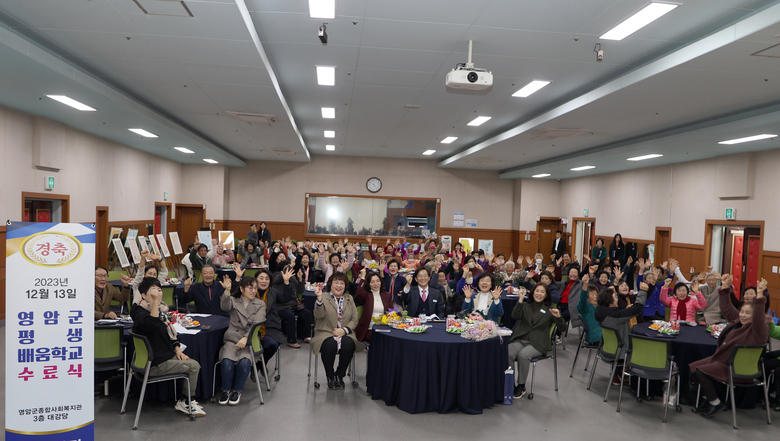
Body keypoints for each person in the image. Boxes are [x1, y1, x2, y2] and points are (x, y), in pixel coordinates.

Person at [690, 274, 769, 417]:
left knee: (701, 371)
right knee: (693, 368)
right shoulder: (738, 320)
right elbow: (726, 307)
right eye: (742, 312)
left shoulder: (759, 330)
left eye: (748, 313)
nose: (743, 315)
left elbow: (758, 316)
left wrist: (759, 295)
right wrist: (725, 286)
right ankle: (707, 398)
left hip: (737, 368)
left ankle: (715, 403)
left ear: (755, 315)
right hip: (722, 361)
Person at [131, 277, 205, 417]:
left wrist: (177, 349)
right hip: (153, 364)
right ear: (143, 295)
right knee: (194, 366)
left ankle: (185, 399)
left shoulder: (161, 312)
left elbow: (169, 335)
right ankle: (187, 401)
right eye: (153, 290)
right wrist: (154, 303)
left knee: (189, 359)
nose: (157, 293)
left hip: (162, 356)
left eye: (159, 290)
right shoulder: (139, 313)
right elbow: (152, 324)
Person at [507, 283, 565, 399]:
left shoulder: (550, 309)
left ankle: (521, 385)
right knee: (508, 352)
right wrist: (520, 300)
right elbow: (514, 316)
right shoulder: (525, 306)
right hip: (521, 339)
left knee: (523, 355)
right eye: (537, 291)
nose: (539, 294)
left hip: (537, 343)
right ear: (533, 292)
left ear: (546, 295)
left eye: (542, 292)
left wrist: (559, 317)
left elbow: (563, 328)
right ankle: (509, 383)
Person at [217, 276, 265, 406]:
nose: (253, 291)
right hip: (232, 339)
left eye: (255, 288)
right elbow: (224, 307)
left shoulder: (260, 304)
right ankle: (226, 390)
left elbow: (257, 324)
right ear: (242, 289)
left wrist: (246, 338)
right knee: (226, 362)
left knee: (244, 363)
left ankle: (237, 391)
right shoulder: (234, 300)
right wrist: (227, 291)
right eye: (250, 287)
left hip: (249, 341)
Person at [311, 273, 364, 390]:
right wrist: (319, 300)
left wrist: (344, 330)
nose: (339, 285)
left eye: (342, 283)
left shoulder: (349, 299)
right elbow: (318, 315)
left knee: (349, 344)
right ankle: (330, 376)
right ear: (330, 284)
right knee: (330, 345)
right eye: (336, 282)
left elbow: (355, 319)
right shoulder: (323, 297)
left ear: (345, 286)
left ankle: (340, 375)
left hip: (346, 332)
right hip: (325, 331)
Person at [595, 283, 648, 385]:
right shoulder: (616, 316)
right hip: (620, 352)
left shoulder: (600, 311)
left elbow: (618, 315)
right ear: (609, 303)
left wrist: (625, 311)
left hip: (606, 349)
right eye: (615, 297)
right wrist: (643, 291)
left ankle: (618, 373)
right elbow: (637, 308)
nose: (617, 299)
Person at [273, 265, 313, 348]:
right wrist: (284, 274)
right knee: (290, 316)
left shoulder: (293, 278)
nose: (290, 270)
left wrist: (300, 279)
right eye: (287, 268)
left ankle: (306, 336)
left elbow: (300, 290)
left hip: (294, 305)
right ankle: (291, 340)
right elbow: (276, 279)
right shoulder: (276, 277)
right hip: (281, 306)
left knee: (307, 313)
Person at [354, 270, 393, 342]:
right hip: (369, 328)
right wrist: (363, 276)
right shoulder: (366, 294)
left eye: (378, 281)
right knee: (378, 338)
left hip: (384, 327)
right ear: (368, 284)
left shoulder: (386, 295)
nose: (376, 284)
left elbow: (391, 312)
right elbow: (359, 293)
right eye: (372, 282)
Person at [576, 274, 602, 344]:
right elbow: (582, 299)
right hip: (597, 337)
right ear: (587, 297)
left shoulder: (600, 305)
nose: (595, 297)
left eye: (596, 294)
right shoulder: (586, 308)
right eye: (592, 294)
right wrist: (585, 284)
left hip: (606, 333)